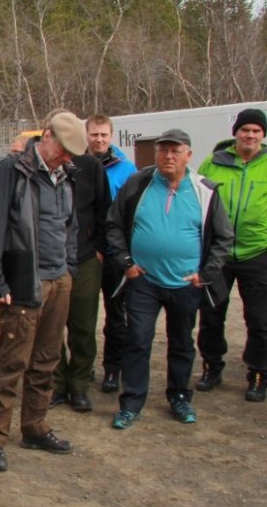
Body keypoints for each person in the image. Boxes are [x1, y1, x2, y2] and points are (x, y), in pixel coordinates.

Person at [0, 111, 85, 472]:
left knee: (47, 360)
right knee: (11, 363)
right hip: (23, 282)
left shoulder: (65, 175)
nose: (68, 157)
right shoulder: (11, 171)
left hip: (59, 280)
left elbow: (70, 226)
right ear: (47, 135)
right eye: (64, 149)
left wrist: (69, 266)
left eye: (72, 153)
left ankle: (35, 427)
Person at [107, 129, 232, 430]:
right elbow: (113, 225)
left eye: (175, 151)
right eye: (163, 150)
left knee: (181, 342)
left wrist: (206, 274)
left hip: (185, 283)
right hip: (144, 281)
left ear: (189, 155)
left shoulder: (205, 191)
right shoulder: (138, 184)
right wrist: (126, 262)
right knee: (137, 339)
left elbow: (224, 238)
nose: (168, 156)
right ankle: (131, 402)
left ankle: (179, 396)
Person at [196, 108, 267, 401]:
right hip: (218, 252)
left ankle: (259, 372)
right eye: (245, 130)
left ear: (262, 136)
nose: (249, 135)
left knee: (260, 319)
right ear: (235, 133)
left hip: (258, 251)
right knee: (212, 314)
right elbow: (196, 200)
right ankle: (212, 366)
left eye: (256, 131)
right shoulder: (213, 163)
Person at [51, 137, 111, 412]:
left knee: (83, 326)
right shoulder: (41, 168)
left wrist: (99, 248)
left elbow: (104, 210)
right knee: (51, 326)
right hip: (51, 259)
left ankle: (79, 385)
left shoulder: (90, 166)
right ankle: (56, 383)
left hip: (85, 257)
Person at [86, 113, 137, 394]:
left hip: (116, 254)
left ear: (111, 136)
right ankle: (84, 367)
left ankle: (112, 369)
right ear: (87, 135)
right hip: (87, 253)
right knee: (83, 316)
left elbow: (131, 214)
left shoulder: (127, 169)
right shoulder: (76, 165)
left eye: (104, 134)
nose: (99, 139)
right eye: (95, 134)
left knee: (117, 315)